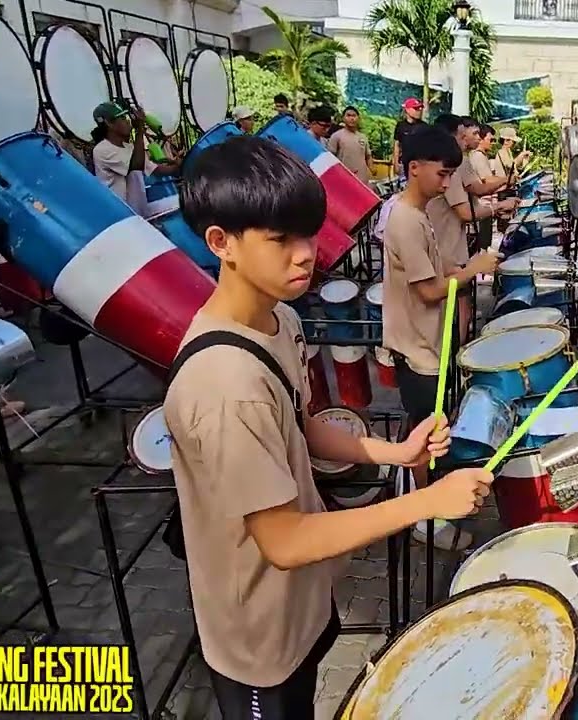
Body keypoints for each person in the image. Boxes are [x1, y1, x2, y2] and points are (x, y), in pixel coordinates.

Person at [165, 135, 491, 719]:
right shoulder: (222, 386)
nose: (304, 254)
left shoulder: (281, 319)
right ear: (221, 243)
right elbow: (285, 541)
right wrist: (426, 502)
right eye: (280, 239)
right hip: (259, 639)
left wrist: (396, 453)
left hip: (303, 605)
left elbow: (304, 426)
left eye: (309, 234)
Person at [383, 127, 501, 550]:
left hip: (429, 341)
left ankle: (427, 500)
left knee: (433, 429)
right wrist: (474, 269)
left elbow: (438, 276)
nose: (448, 183)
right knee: (427, 435)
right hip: (417, 349)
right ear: (414, 168)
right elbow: (429, 291)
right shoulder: (405, 222)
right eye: (442, 173)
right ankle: (426, 519)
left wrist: (466, 267)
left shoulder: (419, 215)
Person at [432, 115, 517, 340]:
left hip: (450, 242)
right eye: (462, 136)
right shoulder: (451, 166)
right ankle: (455, 356)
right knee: (457, 299)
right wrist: (499, 206)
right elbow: (466, 211)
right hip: (445, 245)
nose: (468, 141)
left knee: (460, 298)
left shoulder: (456, 163)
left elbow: (475, 189)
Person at [91, 102, 180, 209]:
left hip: (139, 211)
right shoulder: (102, 150)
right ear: (109, 123)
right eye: (122, 118)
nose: (128, 121)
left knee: (179, 203)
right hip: (122, 215)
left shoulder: (129, 147)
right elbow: (136, 166)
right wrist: (139, 130)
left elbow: (155, 170)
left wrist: (179, 165)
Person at [328, 106, 373, 185]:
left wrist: (372, 170)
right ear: (343, 118)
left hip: (362, 179)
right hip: (343, 178)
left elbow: (368, 156)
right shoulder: (336, 136)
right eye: (348, 115)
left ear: (358, 118)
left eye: (354, 116)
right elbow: (330, 158)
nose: (351, 118)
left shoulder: (363, 137)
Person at [391, 98, 426, 176]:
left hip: (419, 165)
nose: (419, 110)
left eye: (420, 108)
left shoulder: (424, 127)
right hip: (403, 164)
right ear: (407, 110)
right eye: (416, 108)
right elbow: (397, 145)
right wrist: (395, 163)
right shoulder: (400, 126)